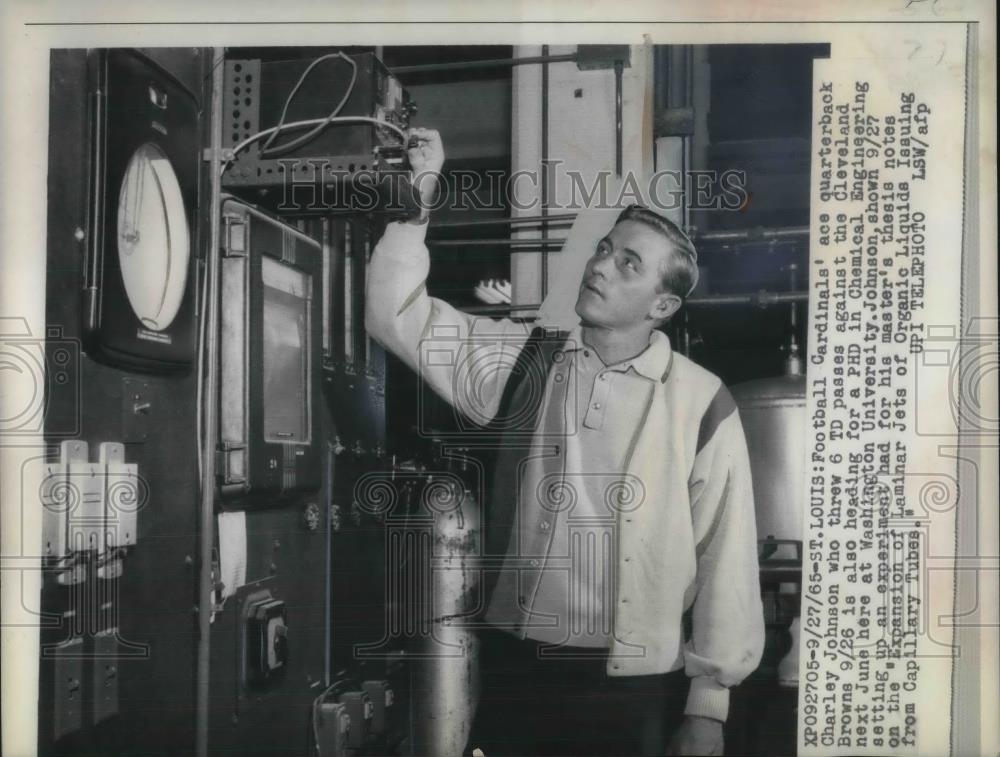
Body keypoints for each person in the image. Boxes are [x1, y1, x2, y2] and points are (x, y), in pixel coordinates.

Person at [366, 128, 765, 756]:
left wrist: (708, 707)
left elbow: (728, 558)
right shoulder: (522, 359)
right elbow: (396, 316)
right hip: (517, 670)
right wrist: (416, 200)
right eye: (603, 249)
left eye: (628, 262)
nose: (600, 264)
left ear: (662, 305)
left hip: (636, 685)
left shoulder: (701, 400)